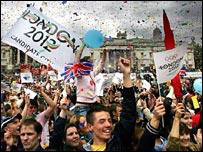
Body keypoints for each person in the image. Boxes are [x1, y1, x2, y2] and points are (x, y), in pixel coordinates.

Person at [82, 57, 137, 151]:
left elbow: (129, 112)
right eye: (102, 121)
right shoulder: (82, 149)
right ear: (90, 127)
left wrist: (126, 75)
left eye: (110, 121)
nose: (108, 125)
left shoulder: (119, 143)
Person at [71, 43, 107, 116]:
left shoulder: (92, 74)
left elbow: (101, 65)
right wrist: (83, 44)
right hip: (82, 107)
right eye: (90, 62)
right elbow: (77, 60)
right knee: (84, 127)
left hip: (92, 106)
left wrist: (104, 53)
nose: (92, 64)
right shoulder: (79, 75)